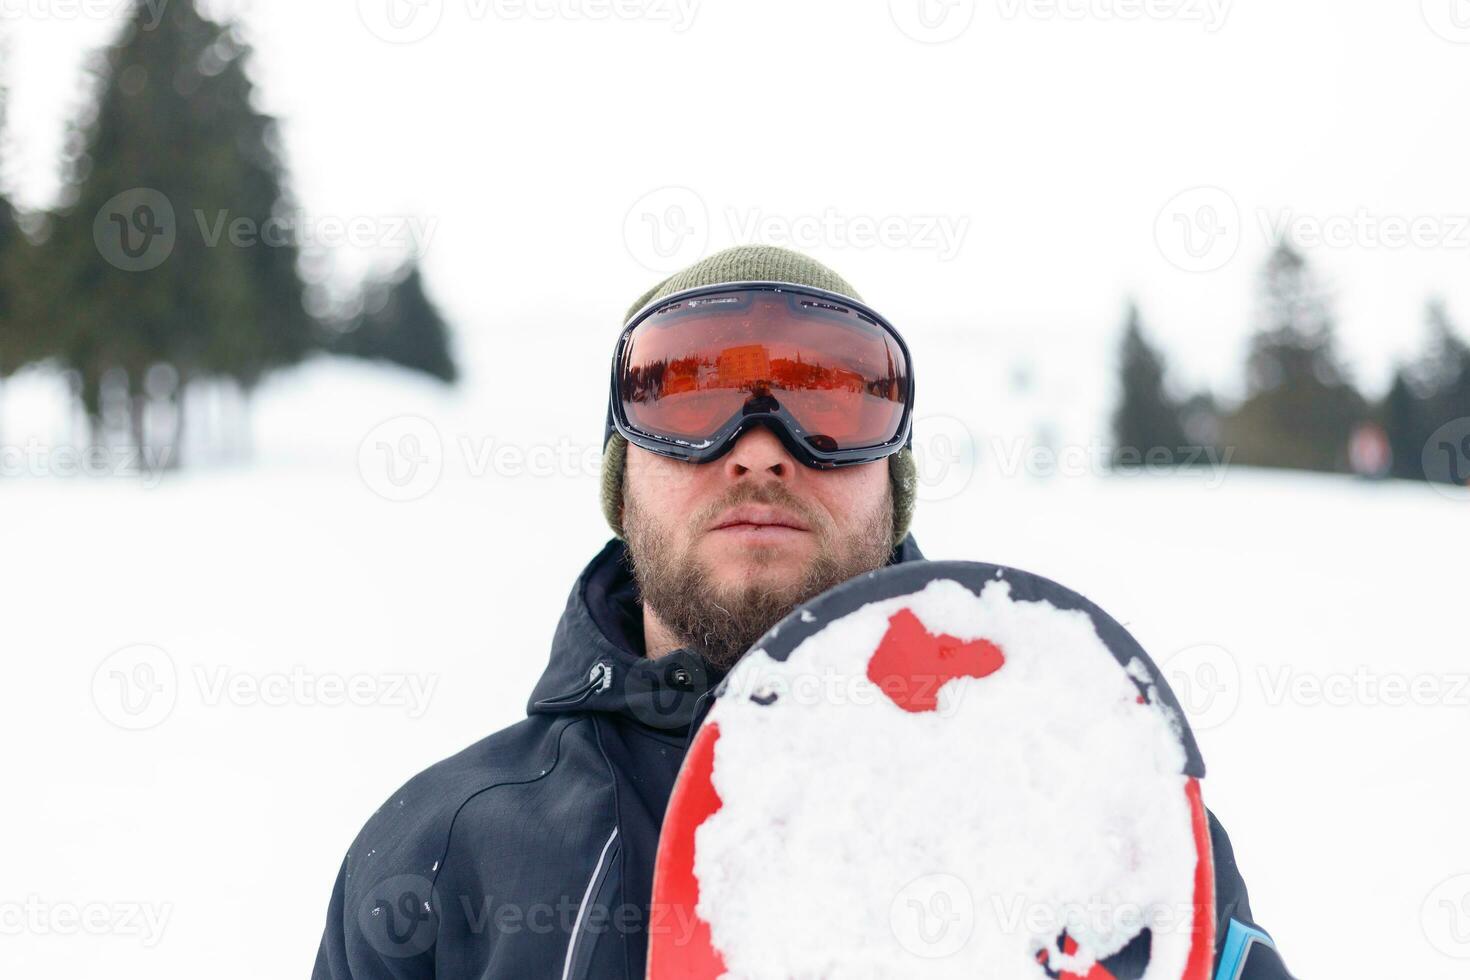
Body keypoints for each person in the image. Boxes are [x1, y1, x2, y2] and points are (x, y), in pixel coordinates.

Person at [311, 245, 1292, 979]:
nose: (761, 448)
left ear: (892, 487)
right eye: (689, 392)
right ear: (622, 484)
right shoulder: (439, 856)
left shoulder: (1098, 809)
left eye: (833, 400)